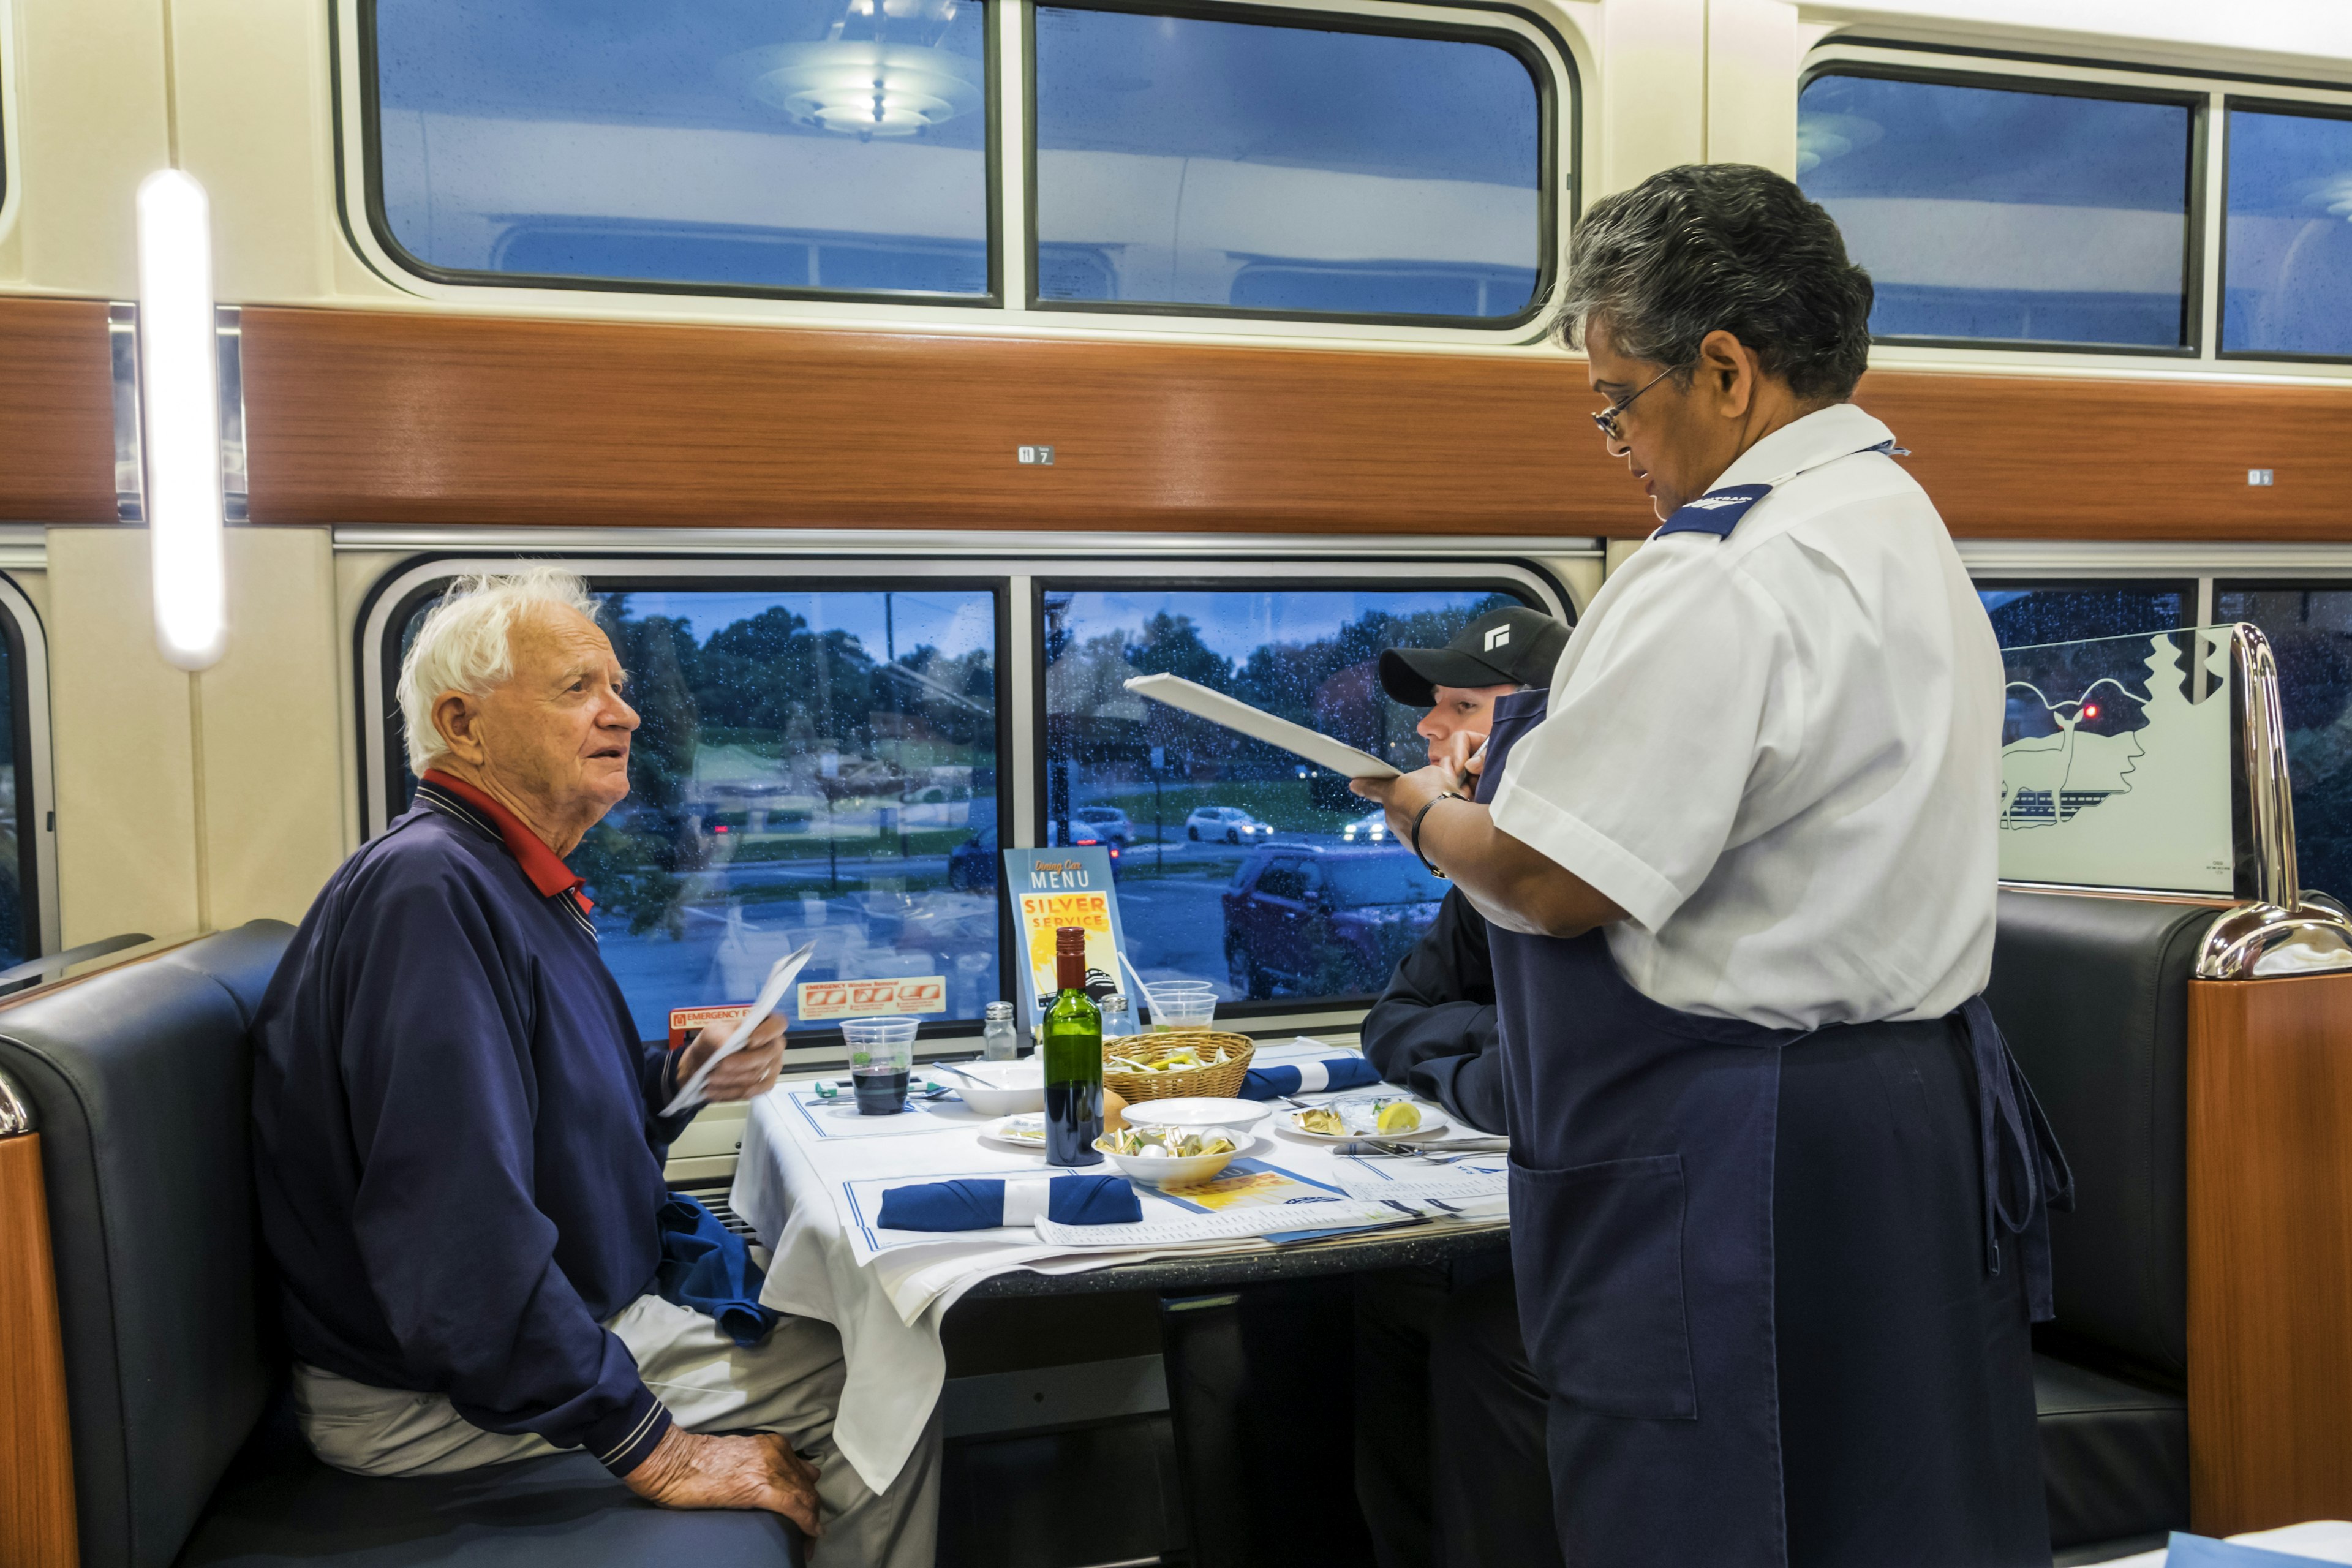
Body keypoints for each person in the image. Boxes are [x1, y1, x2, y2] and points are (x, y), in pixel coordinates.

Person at [1353, 164, 2069, 1568]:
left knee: (1716, 1514)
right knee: (1902, 1520)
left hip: (1748, 1146)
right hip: (1919, 1111)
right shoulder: (1899, 527)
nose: (1613, 437)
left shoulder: (1722, 569)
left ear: (1727, 369)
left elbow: (1559, 879)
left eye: (1617, 397)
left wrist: (1425, 810)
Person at [249, 568, 938, 1566]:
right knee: (884, 1382)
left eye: (617, 685)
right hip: (431, 1399)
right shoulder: (431, 894)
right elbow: (454, 1234)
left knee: (853, 1338)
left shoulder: (509, 881)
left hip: (524, 1334)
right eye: (579, 687)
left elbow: (534, 1121)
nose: (626, 711)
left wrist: (679, 1077)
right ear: (465, 723)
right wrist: (655, 1449)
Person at [1352, 605, 1568, 1568]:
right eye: (1430, 711)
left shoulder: (1563, 869)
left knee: (1479, 1332)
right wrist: (1489, 1040)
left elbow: (1550, 1081)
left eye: (1463, 706)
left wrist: (1485, 1058)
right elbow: (1391, 1024)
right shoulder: (1484, 869)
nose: (1430, 735)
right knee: (1334, 1306)